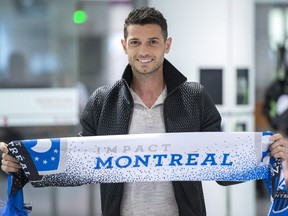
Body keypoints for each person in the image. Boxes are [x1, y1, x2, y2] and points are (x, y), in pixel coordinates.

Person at [1, 6, 288, 216]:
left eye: (153, 41)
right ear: (125, 46)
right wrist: (25, 164)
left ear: (167, 45)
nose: (144, 51)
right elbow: (78, 165)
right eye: (136, 42)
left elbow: (222, 167)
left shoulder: (195, 97)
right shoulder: (103, 101)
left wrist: (266, 155)